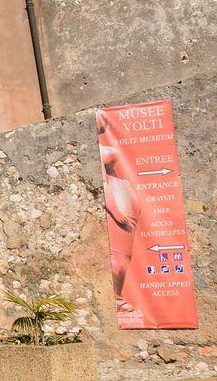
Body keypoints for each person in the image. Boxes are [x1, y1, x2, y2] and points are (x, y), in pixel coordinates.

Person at [97, 112, 141, 315]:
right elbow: (104, 182)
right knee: (119, 256)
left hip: (124, 202)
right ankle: (118, 299)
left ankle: (120, 297)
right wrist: (114, 208)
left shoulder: (103, 147)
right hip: (117, 204)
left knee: (126, 255)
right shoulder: (98, 150)